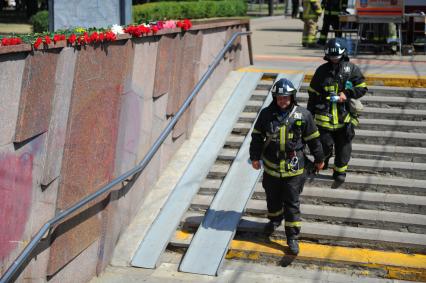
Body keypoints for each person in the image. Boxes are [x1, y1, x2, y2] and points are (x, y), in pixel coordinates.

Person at [249, 78, 325, 255]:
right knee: (272, 199)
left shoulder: (303, 115)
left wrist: (319, 158)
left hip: (294, 169)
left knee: (292, 203)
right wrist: (254, 157)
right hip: (271, 168)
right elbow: (257, 137)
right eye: (279, 98)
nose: (282, 101)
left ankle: (292, 237)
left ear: (292, 97)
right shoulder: (266, 114)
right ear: (275, 98)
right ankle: (274, 220)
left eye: (286, 97)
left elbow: (314, 140)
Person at [307, 38, 367, 187]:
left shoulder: (351, 69)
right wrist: (309, 116)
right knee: (324, 145)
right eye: (331, 57)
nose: (334, 59)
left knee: (344, 147)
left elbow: (362, 87)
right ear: (327, 55)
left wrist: (347, 93)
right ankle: (323, 161)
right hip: (324, 118)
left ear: (343, 54)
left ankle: (340, 172)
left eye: (337, 56)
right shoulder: (321, 71)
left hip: (344, 118)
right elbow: (312, 93)